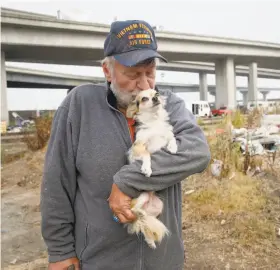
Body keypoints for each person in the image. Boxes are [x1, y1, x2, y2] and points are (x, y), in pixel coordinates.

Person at [40, 19, 211, 270]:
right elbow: (57, 182)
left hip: (162, 261)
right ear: (107, 71)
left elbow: (197, 151)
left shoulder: (169, 104)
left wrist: (127, 180)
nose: (144, 85)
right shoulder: (80, 106)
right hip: (100, 261)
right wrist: (60, 251)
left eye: (150, 73)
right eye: (132, 75)